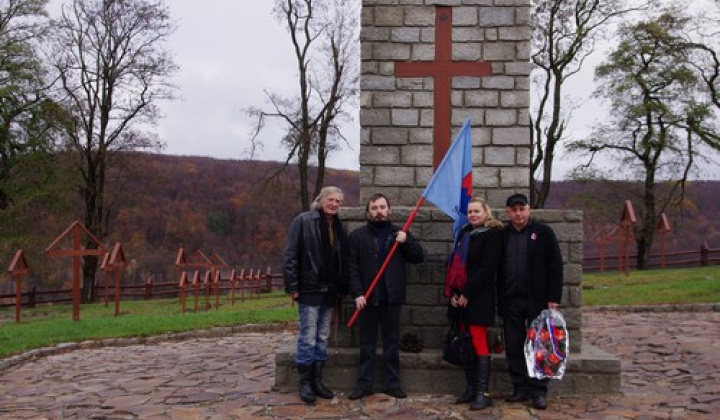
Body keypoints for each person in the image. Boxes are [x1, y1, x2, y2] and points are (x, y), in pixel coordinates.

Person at [346, 193, 425, 400]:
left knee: (391, 344)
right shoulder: (357, 237)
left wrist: (406, 241)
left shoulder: (400, 233)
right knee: (366, 345)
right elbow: (351, 268)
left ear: (389, 210)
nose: (379, 211)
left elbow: (419, 257)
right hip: (367, 300)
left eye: (382, 207)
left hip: (392, 299)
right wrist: (357, 293)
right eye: (374, 208)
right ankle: (364, 385)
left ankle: (392, 384)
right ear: (368, 212)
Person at [498, 193, 563, 410]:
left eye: (522, 209)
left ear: (529, 210)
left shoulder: (543, 232)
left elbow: (556, 265)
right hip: (510, 299)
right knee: (514, 346)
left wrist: (554, 297)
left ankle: (539, 391)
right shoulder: (502, 234)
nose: (518, 214)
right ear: (508, 212)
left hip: (537, 300)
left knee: (539, 346)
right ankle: (520, 388)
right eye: (514, 210)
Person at [283, 186, 348, 404]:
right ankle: (305, 383)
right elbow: (290, 254)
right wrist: (292, 286)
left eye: (338, 201)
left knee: (322, 337)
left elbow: (341, 259)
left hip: (329, 291)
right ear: (320, 200)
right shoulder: (303, 221)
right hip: (309, 288)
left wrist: (341, 286)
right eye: (331, 199)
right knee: (308, 336)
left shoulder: (338, 226)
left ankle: (318, 381)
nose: (334, 204)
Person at [445, 197, 504, 410]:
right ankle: (470, 388)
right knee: (464, 342)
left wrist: (467, 293)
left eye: (477, 211)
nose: (473, 215)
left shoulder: (493, 235)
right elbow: (455, 265)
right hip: (459, 298)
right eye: (470, 212)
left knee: (478, 341)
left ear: (486, 212)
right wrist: (453, 292)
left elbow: (487, 269)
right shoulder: (464, 233)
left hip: (479, 297)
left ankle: (482, 392)